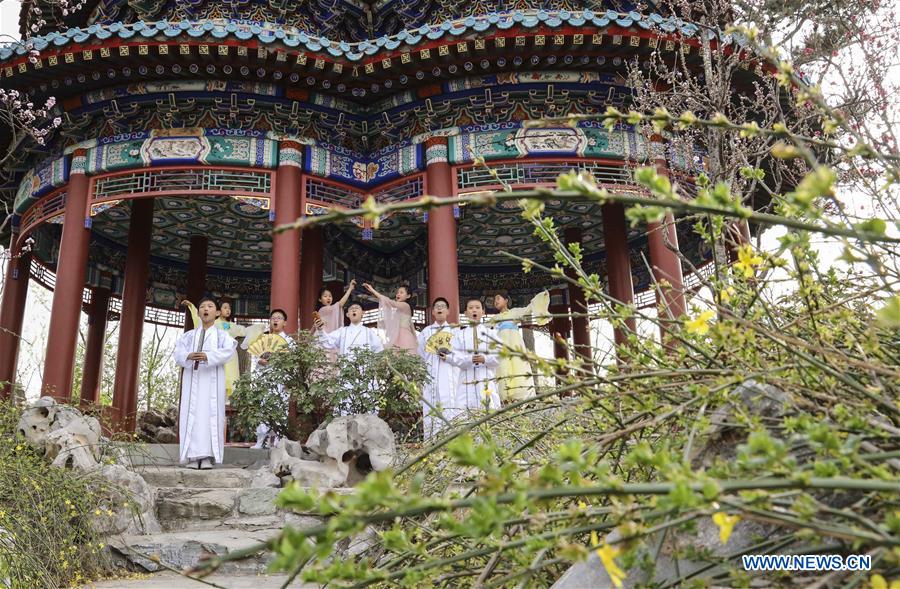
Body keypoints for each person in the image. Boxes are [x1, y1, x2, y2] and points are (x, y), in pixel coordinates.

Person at [174, 296, 237, 469]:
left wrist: (209, 356)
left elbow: (229, 351)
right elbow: (177, 352)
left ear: (217, 312)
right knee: (191, 412)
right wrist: (188, 355)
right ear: (199, 312)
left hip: (212, 380)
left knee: (210, 414)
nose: (205, 309)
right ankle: (192, 456)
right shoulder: (189, 336)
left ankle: (208, 456)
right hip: (192, 378)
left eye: (210, 306)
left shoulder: (222, 335)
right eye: (202, 306)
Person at [182, 297, 264, 397]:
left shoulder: (232, 326)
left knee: (231, 379)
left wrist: (259, 328)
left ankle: (227, 403)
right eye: (225, 307)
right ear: (218, 311)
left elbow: (245, 331)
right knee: (215, 379)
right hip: (216, 354)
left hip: (230, 356)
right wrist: (192, 307)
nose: (228, 310)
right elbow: (200, 322)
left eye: (229, 308)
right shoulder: (213, 323)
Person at [489, 291, 550, 402]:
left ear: (506, 300)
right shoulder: (495, 318)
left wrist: (541, 297)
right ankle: (504, 399)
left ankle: (518, 399)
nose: (495, 301)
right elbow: (482, 329)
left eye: (498, 298)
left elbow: (529, 308)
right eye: (494, 300)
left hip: (514, 346)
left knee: (518, 369)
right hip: (501, 348)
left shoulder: (514, 312)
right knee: (502, 370)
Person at [448, 298, 501, 414]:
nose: (474, 310)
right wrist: (468, 359)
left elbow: (500, 355)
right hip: (466, 378)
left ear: (483, 312)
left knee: (488, 409)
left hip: (486, 376)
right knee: (464, 411)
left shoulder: (491, 333)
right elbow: (454, 356)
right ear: (466, 313)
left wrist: (485, 359)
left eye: (477, 307)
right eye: (470, 308)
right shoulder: (459, 335)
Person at [249, 309, 292, 449]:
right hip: (266, 379)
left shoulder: (289, 341)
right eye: (273, 317)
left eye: (279, 318)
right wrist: (259, 362)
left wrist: (288, 380)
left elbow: (293, 362)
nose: (275, 320)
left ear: (285, 322)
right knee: (264, 409)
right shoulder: (264, 339)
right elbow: (256, 357)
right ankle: (260, 440)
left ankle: (278, 442)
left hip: (281, 380)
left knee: (280, 410)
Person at [417, 297, 459, 438]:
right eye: (437, 307)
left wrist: (449, 357)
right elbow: (421, 354)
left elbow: (460, 354)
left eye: (443, 306)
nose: (440, 308)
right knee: (431, 405)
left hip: (450, 372)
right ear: (433, 312)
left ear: (448, 311)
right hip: (431, 373)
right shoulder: (426, 332)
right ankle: (431, 440)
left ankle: (452, 439)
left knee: (451, 404)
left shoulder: (455, 331)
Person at [362, 282, 418, 352]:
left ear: (408, 296)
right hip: (399, 335)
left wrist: (372, 290)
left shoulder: (405, 305)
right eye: (397, 292)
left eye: (401, 292)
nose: (398, 294)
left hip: (404, 336)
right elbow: (386, 302)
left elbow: (388, 301)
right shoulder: (399, 308)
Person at [314, 301, 384, 355]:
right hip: (345, 371)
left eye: (356, 308)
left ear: (363, 313)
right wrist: (320, 330)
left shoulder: (369, 332)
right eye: (351, 309)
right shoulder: (342, 331)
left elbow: (379, 350)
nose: (354, 310)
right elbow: (328, 342)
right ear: (347, 314)